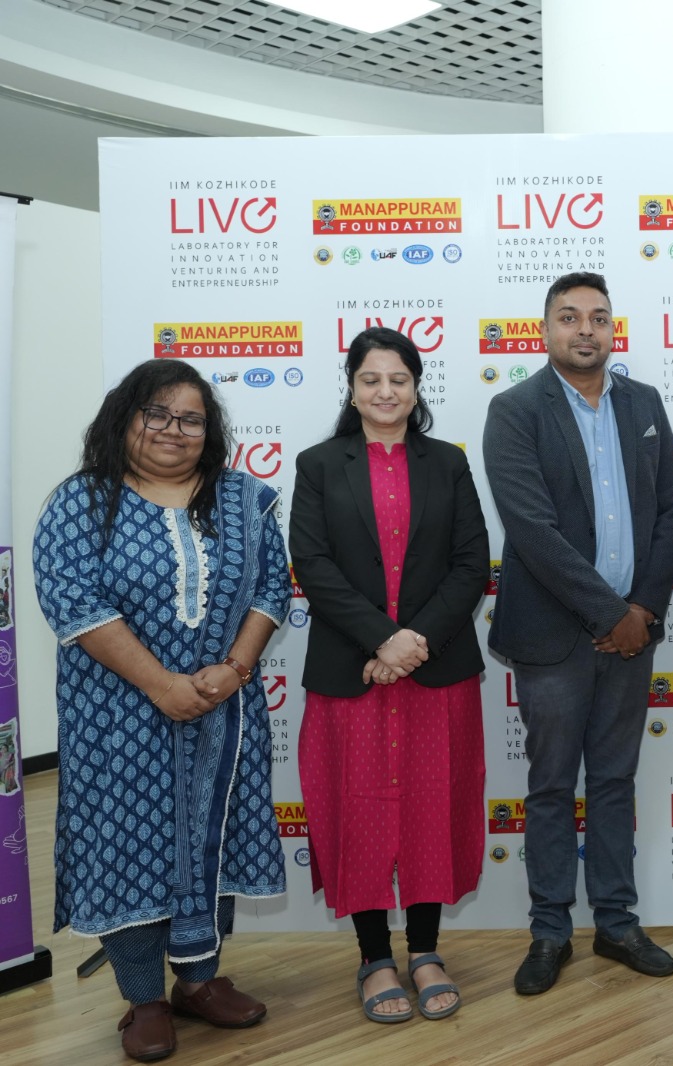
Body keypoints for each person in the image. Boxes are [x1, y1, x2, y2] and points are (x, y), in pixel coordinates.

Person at [34, 360, 289, 1062]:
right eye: (158, 413)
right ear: (125, 418)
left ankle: (199, 981)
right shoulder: (82, 502)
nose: (174, 429)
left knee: (213, 835)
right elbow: (74, 603)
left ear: (210, 430)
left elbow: (272, 588)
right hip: (115, 716)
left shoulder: (243, 499)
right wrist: (160, 686)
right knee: (127, 844)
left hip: (222, 708)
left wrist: (234, 671)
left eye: (192, 419)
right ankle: (143, 998)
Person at [483, 271, 673, 995]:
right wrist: (613, 616)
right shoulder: (514, 410)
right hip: (555, 636)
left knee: (614, 782)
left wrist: (644, 613)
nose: (585, 329)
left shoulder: (644, 403)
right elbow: (532, 530)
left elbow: (669, 515)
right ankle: (549, 932)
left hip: (634, 631)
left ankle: (617, 924)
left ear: (612, 329)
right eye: (569, 317)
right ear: (546, 330)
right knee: (549, 787)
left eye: (598, 317)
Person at [289, 327, 490, 1023]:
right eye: (370, 379)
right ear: (351, 388)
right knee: (359, 811)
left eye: (398, 379)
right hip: (353, 671)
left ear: (416, 386)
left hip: (436, 671)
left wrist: (412, 644)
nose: (385, 391)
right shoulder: (319, 464)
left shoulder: (448, 463)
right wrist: (382, 640)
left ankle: (426, 952)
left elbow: (472, 562)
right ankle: (375, 959)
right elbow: (312, 564)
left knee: (435, 806)